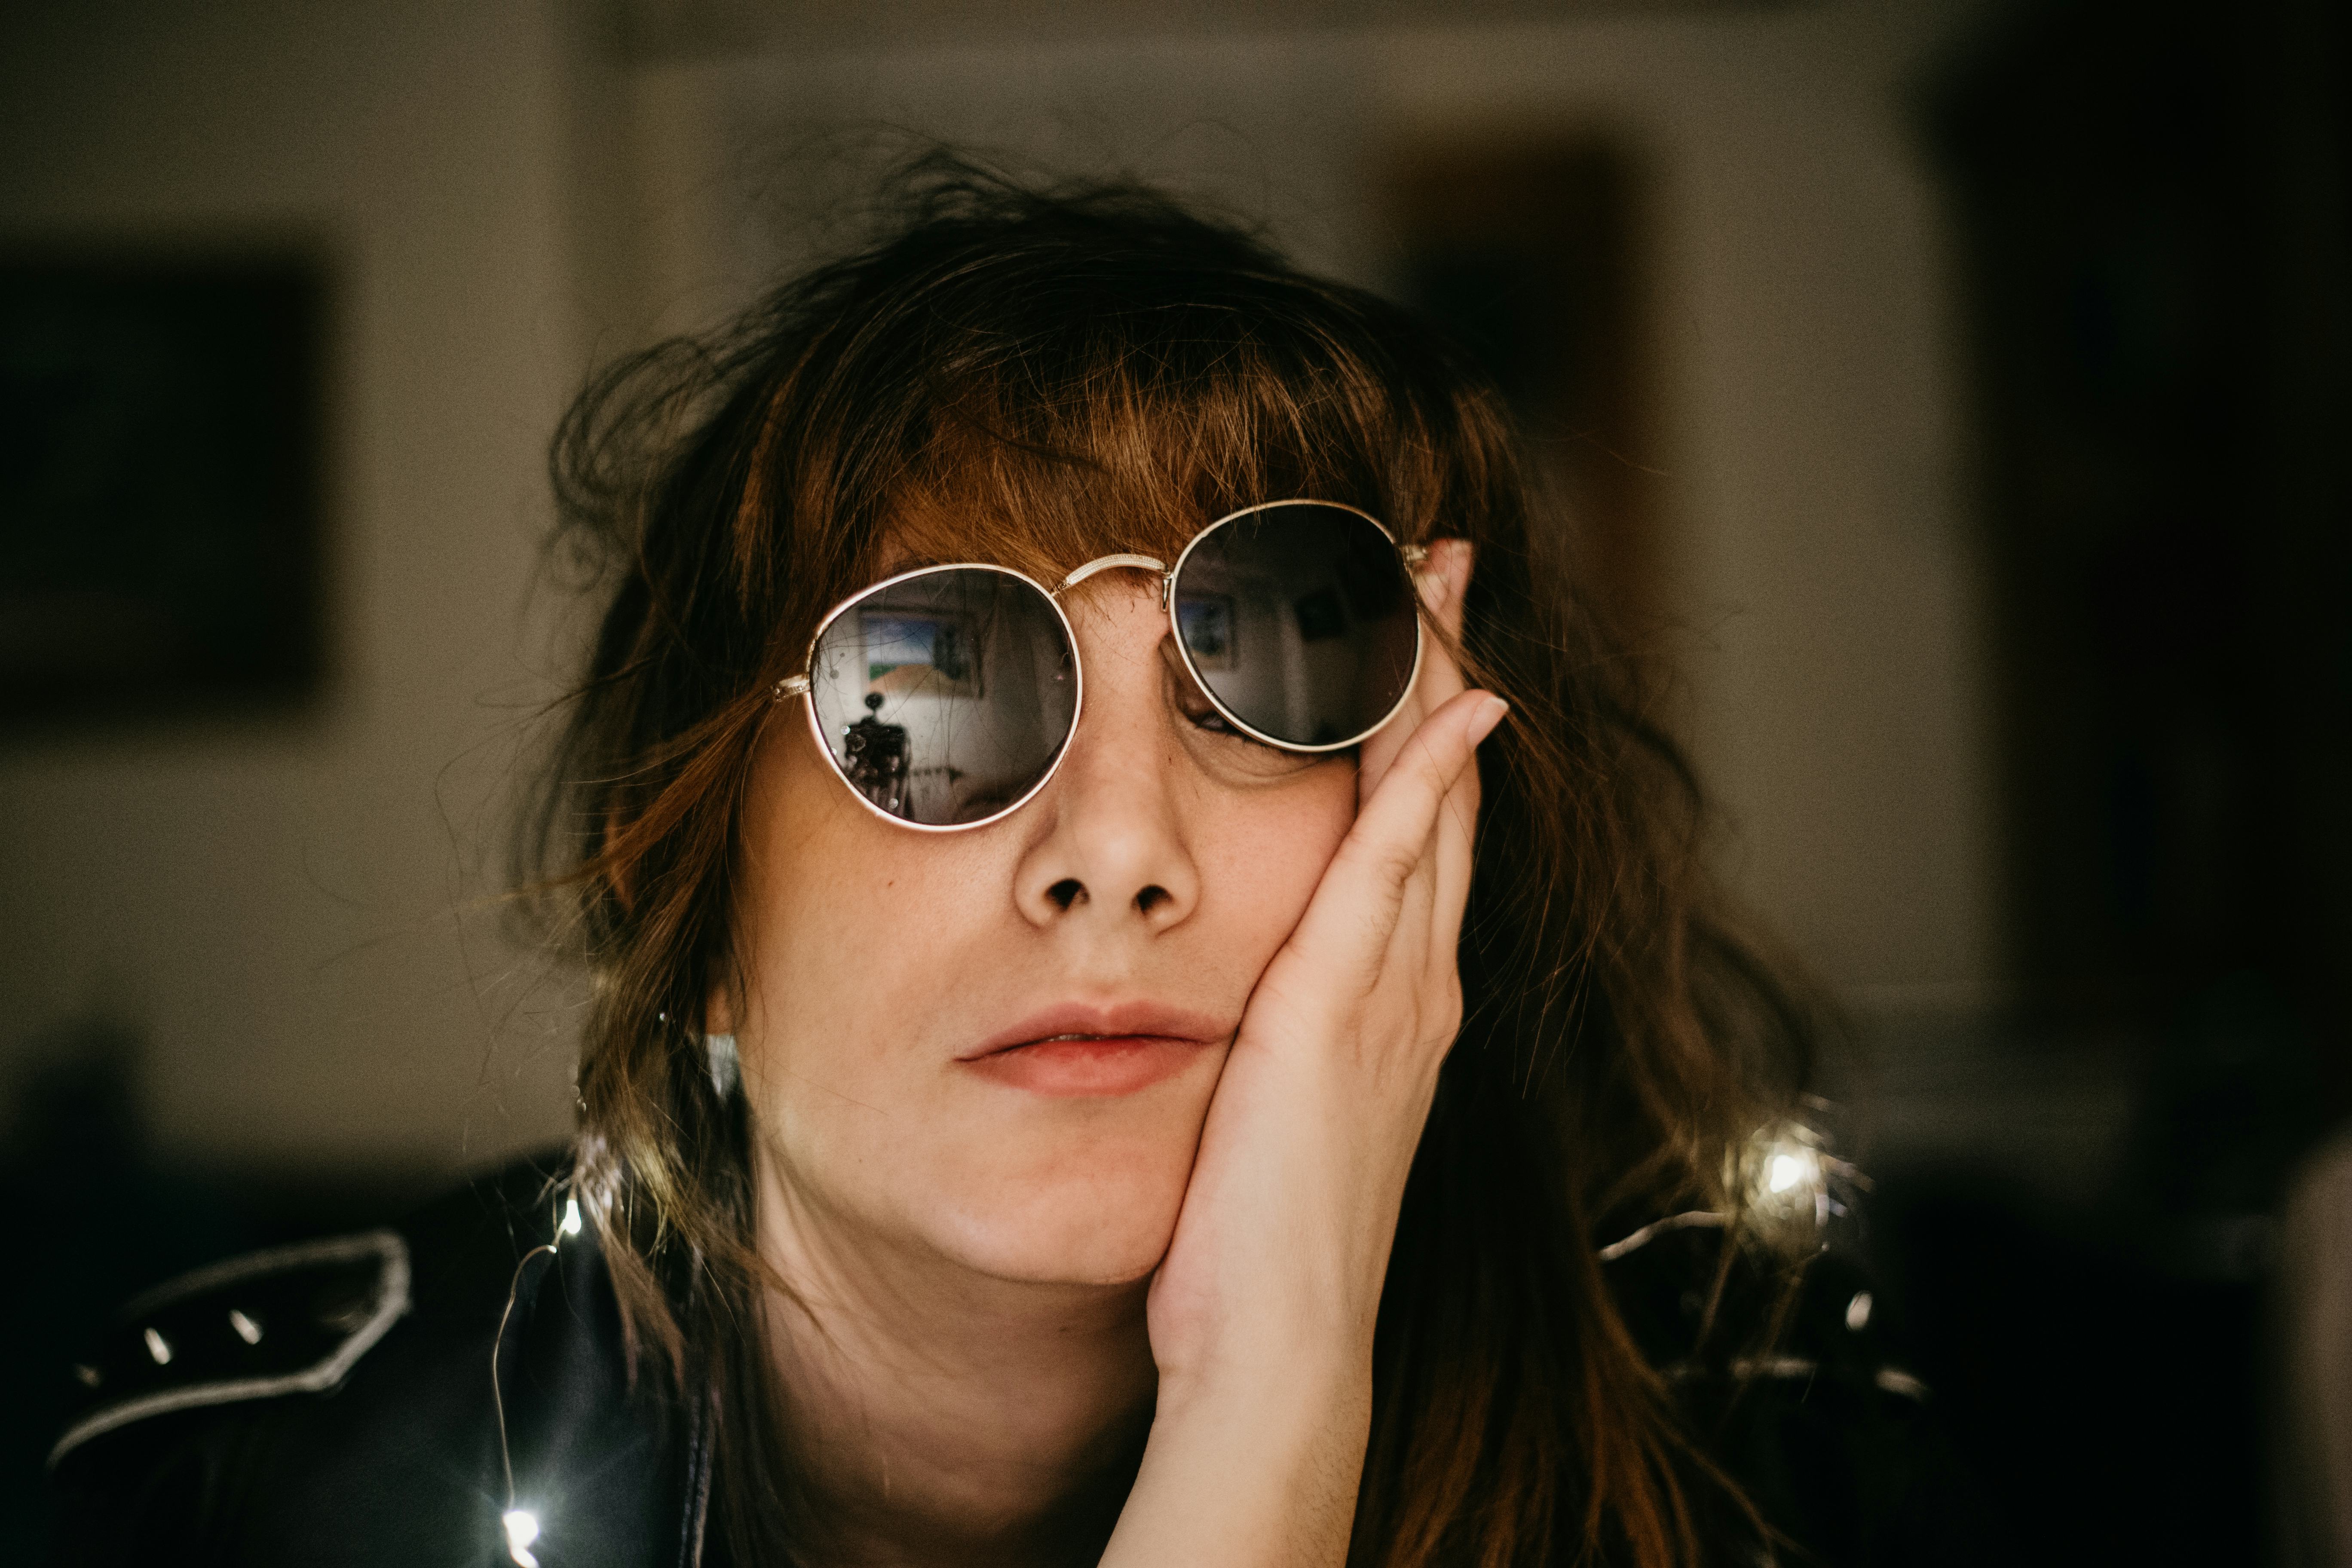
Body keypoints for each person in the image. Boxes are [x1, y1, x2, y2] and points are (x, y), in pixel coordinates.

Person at [46, 166, 1964, 1567]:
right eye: (929, 688)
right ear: (699, 902)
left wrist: (1276, 1379)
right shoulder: (243, 1490)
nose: (1115, 854)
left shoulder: (1761, 1444)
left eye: (1268, 676)